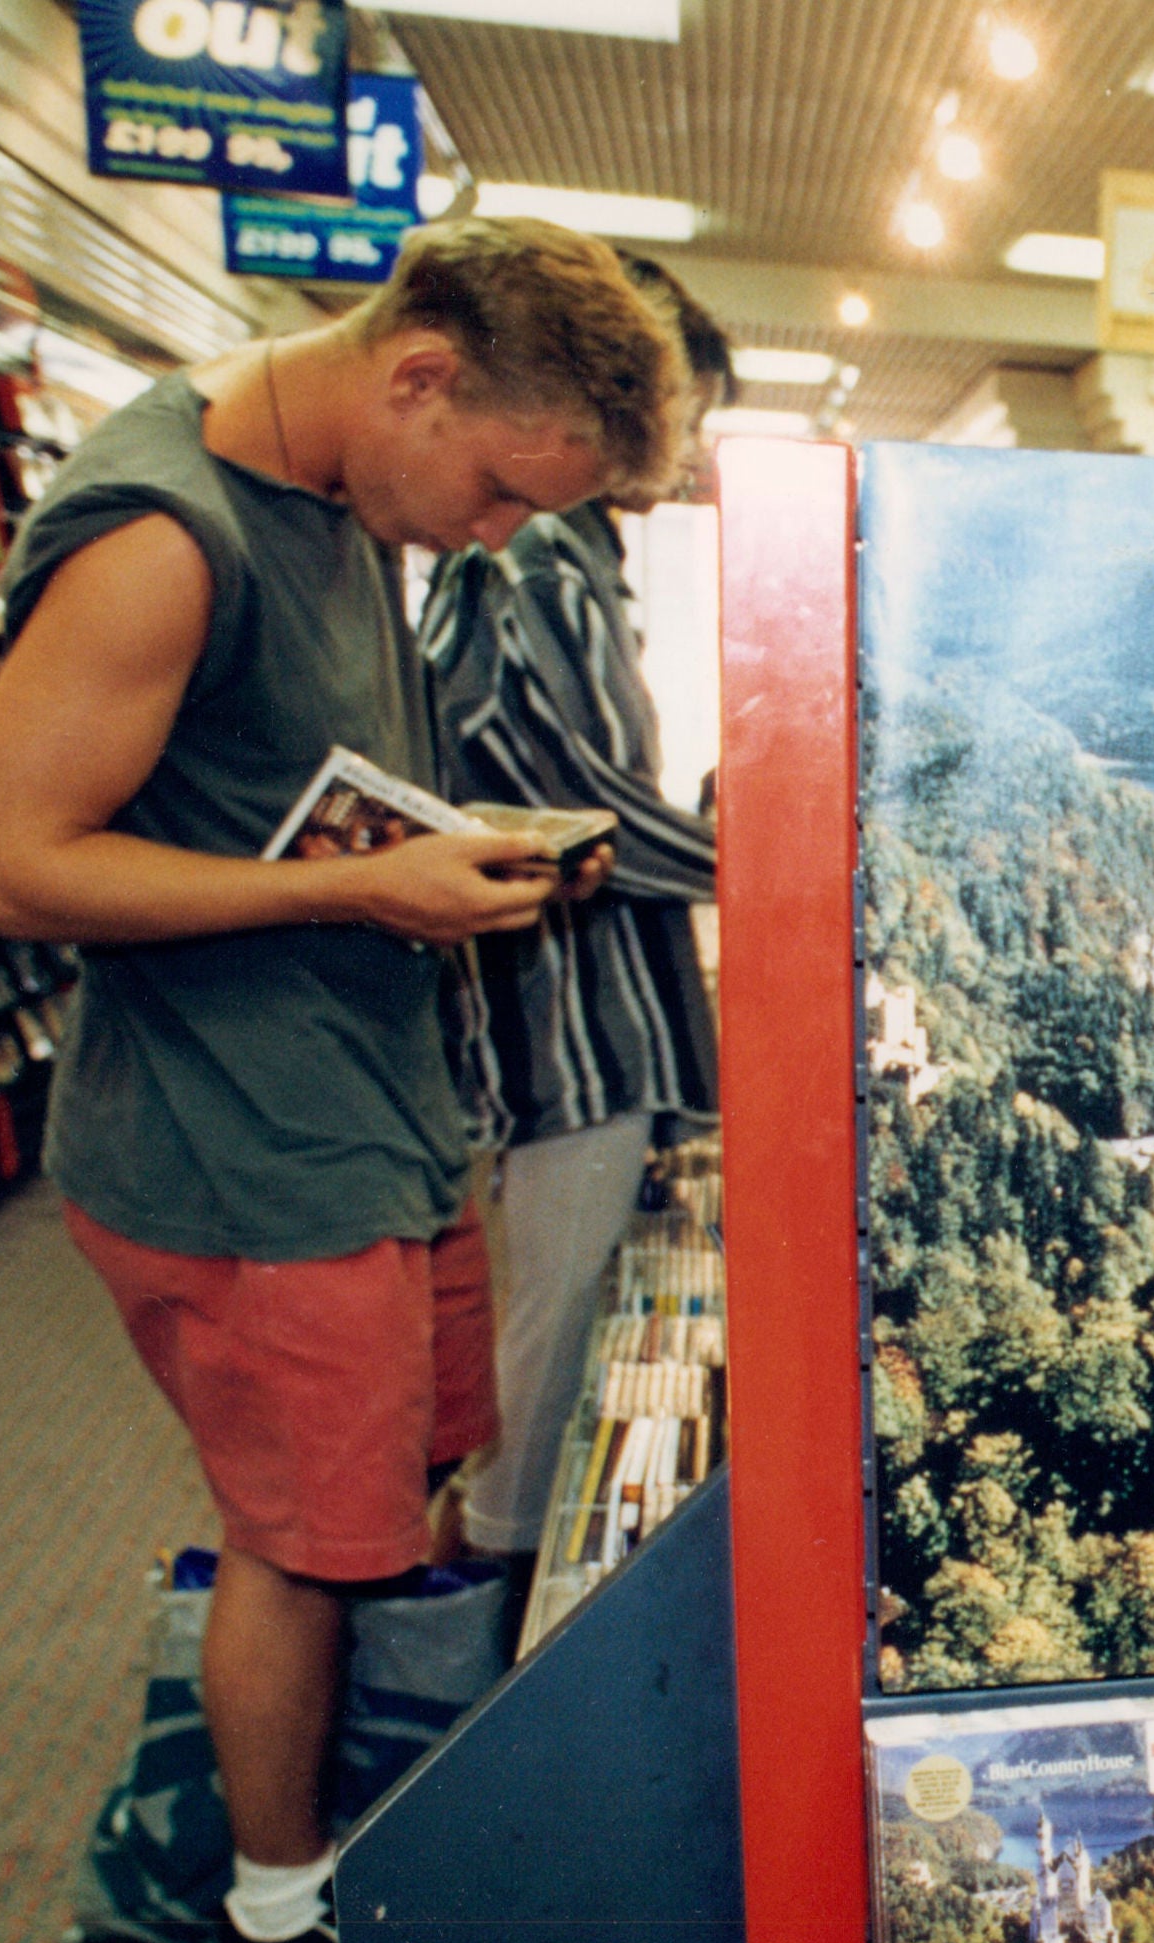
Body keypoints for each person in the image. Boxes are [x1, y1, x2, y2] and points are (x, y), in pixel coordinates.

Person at [0, 219, 681, 1943]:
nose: (497, 540)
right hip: (239, 1153)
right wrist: (359, 900)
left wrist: (445, 853)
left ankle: (324, 1829)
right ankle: (274, 1921)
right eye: (503, 493)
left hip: (364, 1120)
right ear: (418, 375)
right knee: (302, 1539)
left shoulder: (349, 503)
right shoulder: (157, 543)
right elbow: (6, 865)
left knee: (368, 1509)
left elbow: (278, 788)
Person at [422, 255, 731, 1597]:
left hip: (613, 1021)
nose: (688, 452)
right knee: (543, 1373)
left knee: (571, 1342)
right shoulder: (539, 560)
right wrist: (752, 859)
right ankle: (477, 1660)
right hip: (572, 1035)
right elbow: (578, 810)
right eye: (685, 417)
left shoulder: (584, 564)